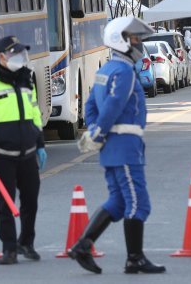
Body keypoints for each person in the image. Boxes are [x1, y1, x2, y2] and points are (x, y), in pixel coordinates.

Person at [68, 16, 165, 275]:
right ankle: (135, 258)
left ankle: (82, 245)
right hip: (124, 145)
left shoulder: (104, 71)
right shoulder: (123, 72)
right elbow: (114, 105)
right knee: (138, 203)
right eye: (134, 39)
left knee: (119, 202)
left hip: (112, 147)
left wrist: (94, 131)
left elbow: (90, 106)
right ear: (120, 41)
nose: (138, 44)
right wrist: (98, 132)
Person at [0, 36, 47, 265]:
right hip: (2, 154)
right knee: (5, 203)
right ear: (1, 57)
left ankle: (27, 242)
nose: (20, 58)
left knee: (30, 201)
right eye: (14, 54)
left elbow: (34, 113)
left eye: (21, 53)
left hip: (28, 152)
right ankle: (9, 248)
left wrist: (41, 144)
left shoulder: (26, 80)